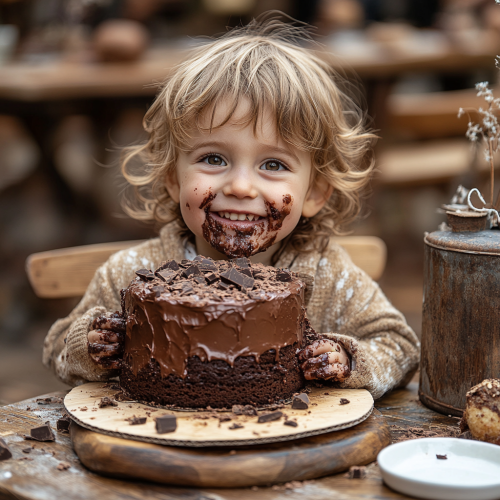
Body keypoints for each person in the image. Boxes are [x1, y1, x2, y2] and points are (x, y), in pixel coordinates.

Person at [43, 17, 419, 400]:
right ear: (173, 177)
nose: (240, 186)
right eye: (213, 158)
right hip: (160, 441)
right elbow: (57, 347)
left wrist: (348, 360)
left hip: (288, 449)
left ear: (315, 192)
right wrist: (91, 344)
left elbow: (400, 346)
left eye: (273, 165)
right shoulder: (127, 276)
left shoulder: (329, 276)